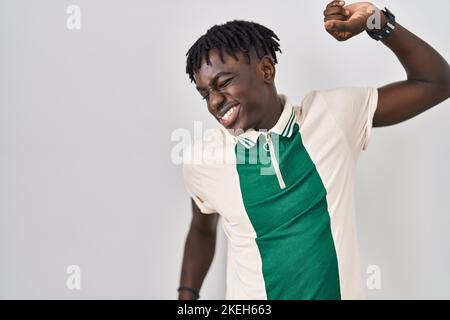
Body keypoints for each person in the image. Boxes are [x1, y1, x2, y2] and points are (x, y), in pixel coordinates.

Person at [177, 1, 450, 300]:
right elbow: (202, 230)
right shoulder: (204, 160)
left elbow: (436, 82)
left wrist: (377, 21)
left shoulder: (332, 115)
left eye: (224, 83)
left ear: (266, 70)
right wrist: (186, 299)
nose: (215, 102)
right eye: (205, 93)